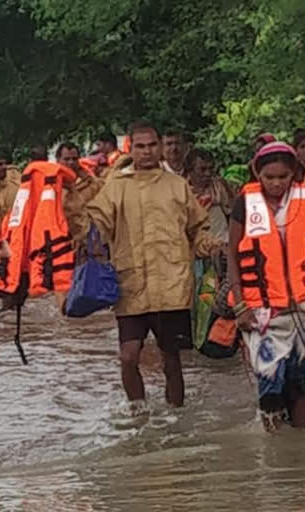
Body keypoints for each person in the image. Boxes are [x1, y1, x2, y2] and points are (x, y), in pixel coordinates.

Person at [72, 121, 221, 407]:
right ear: (131, 148)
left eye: (153, 145)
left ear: (161, 148)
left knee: (172, 358)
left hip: (172, 285)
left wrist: (212, 247)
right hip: (132, 286)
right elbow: (95, 224)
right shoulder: (116, 188)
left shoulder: (177, 186)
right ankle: (138, 413)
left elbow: (198, 229)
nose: (147, 152)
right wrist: (75, 204)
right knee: (128, 356)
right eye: (140, 146)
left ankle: (175, 416)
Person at [228, 142, 305, 431]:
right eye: (269, 177)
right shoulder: (244, 204)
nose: (276, 183)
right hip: (263, 312)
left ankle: (301, 446)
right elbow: (233, 256)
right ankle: (274, 448)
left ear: (293, 174)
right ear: (257, 174)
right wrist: (240, 306)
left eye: (283, 177)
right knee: (271, 385)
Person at [56, 142, 105, 240]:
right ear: (58, 160)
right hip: (60, 240)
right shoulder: (50, 186)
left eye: (74, 159)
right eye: (66, 159)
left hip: (88, 240)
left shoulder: (93, 184)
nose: (71, 162)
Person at [183, 148, 234, 242]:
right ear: (190, 170)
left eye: (211, 169)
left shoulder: (219, 186)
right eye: (202, 169)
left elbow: (233, 214)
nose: (208, 173)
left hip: (222, 243)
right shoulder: (181, 191)